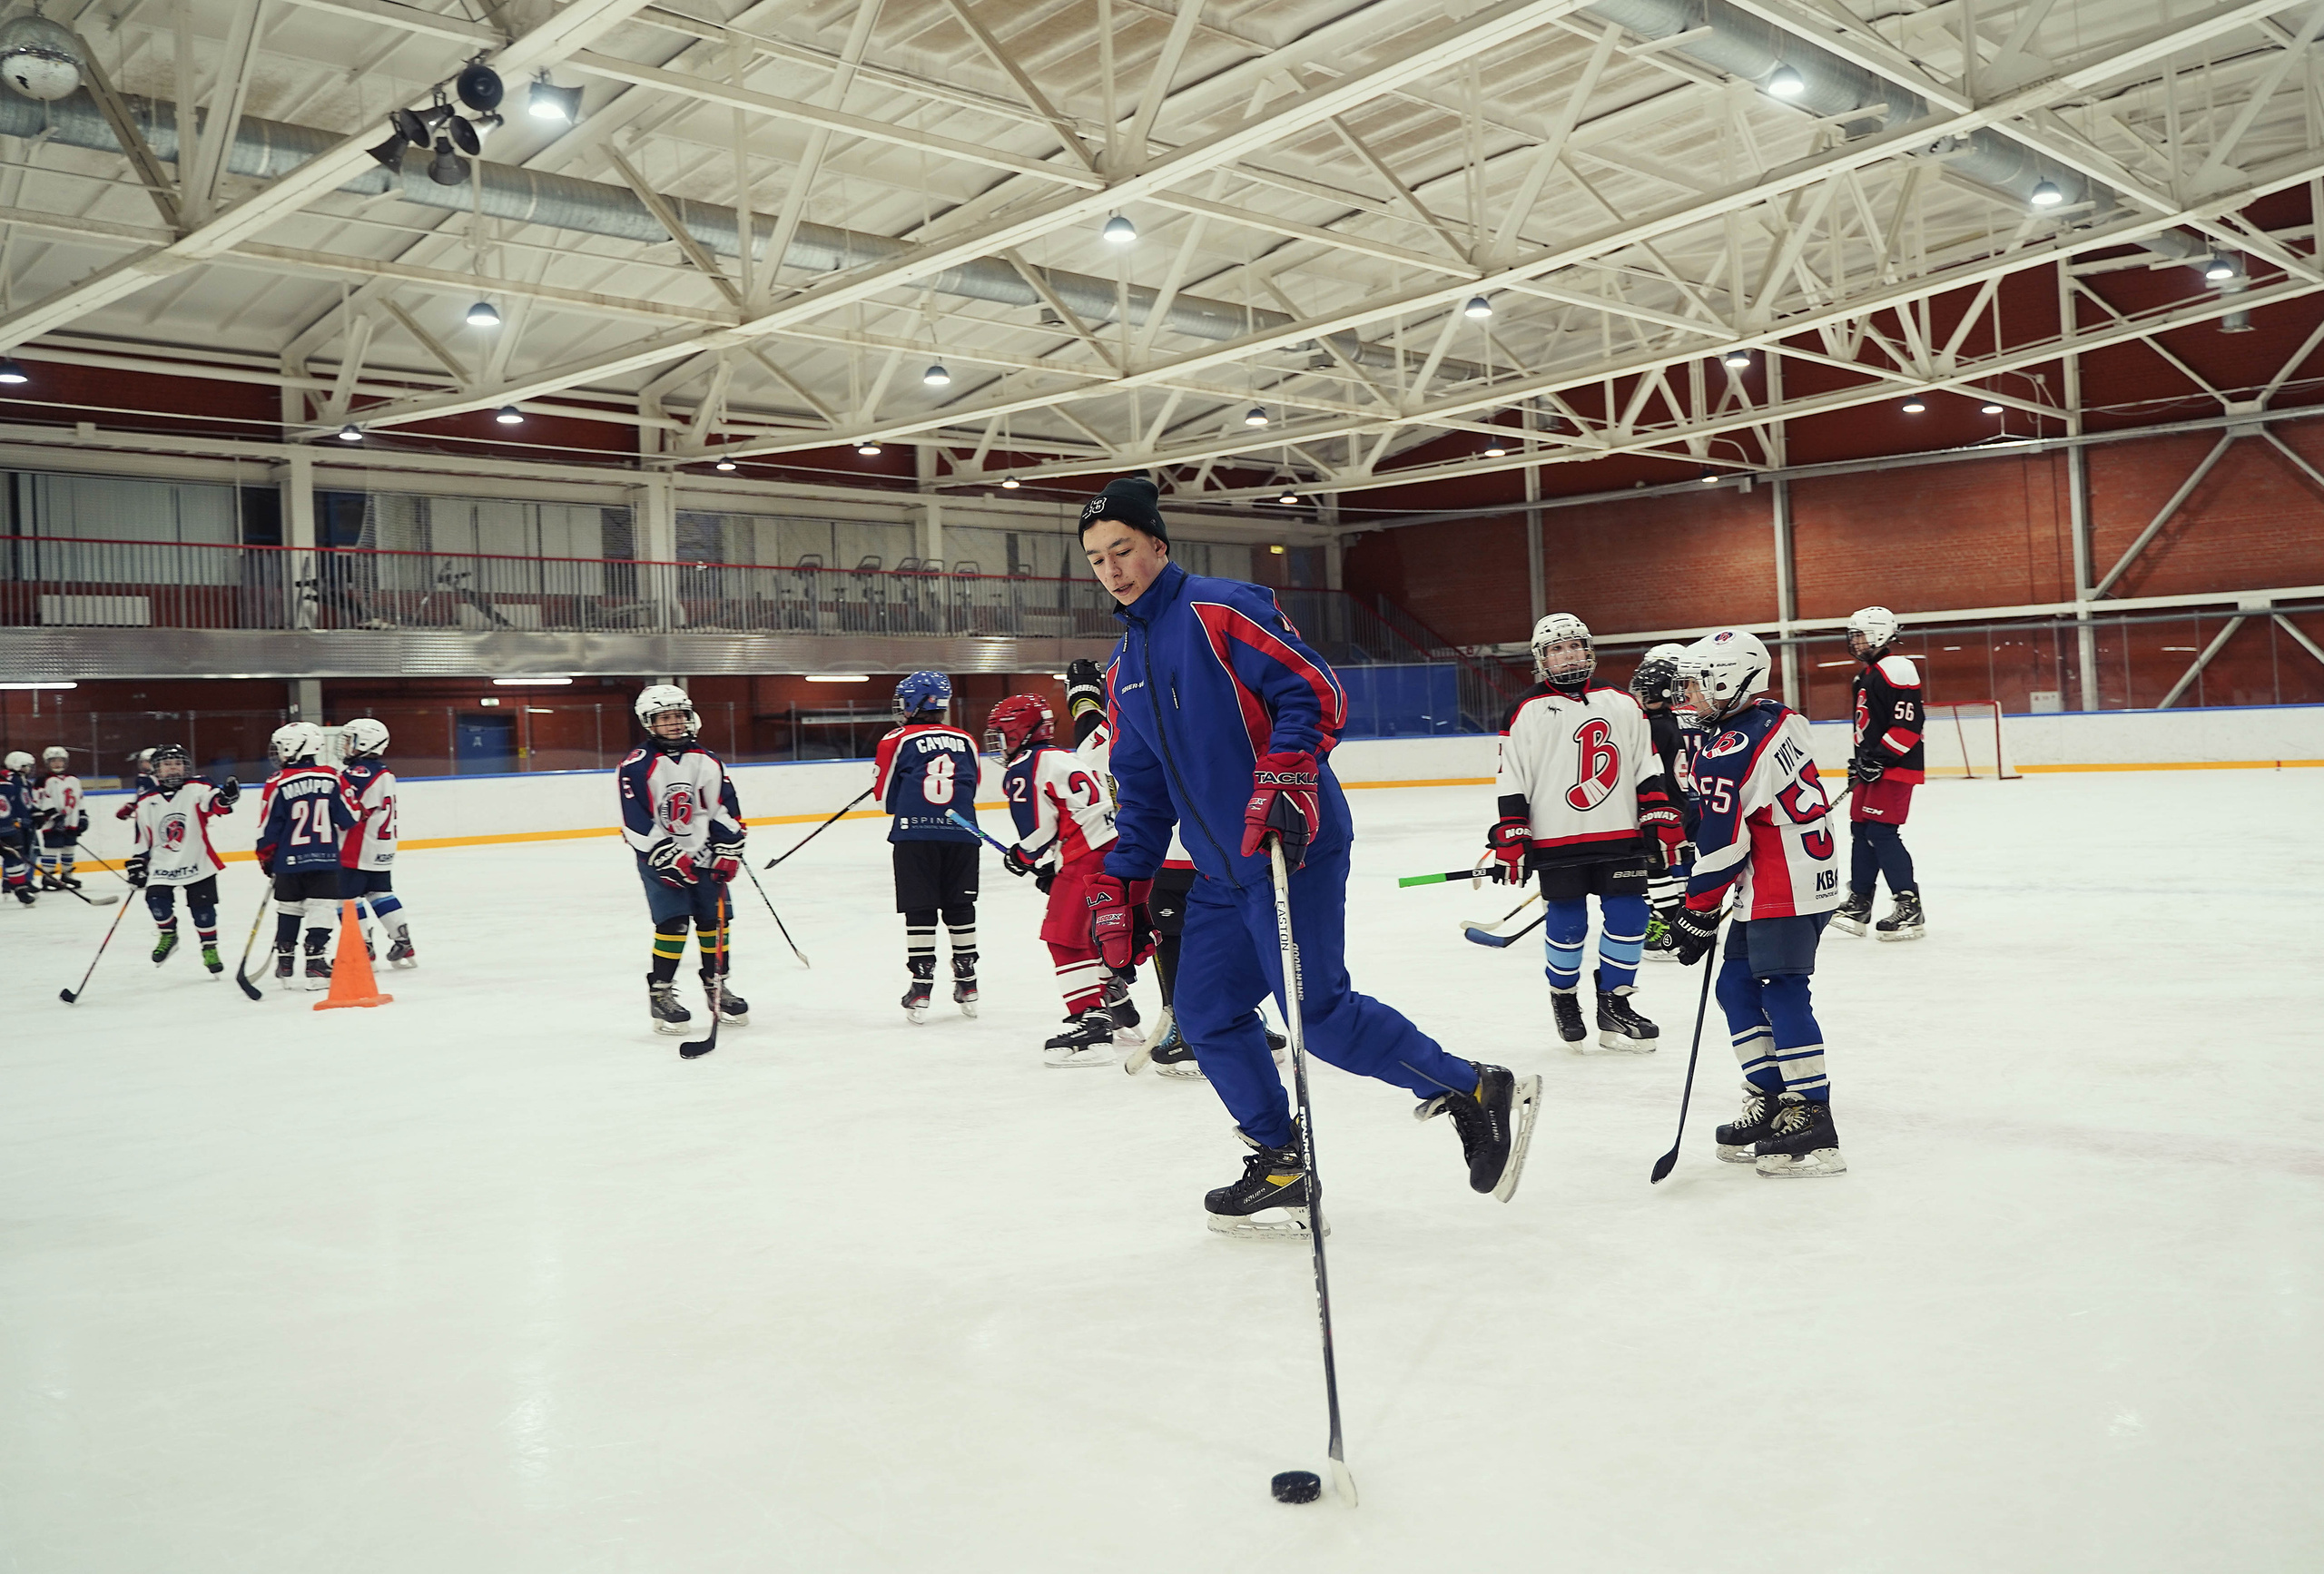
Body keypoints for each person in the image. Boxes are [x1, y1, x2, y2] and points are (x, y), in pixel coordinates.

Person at [1079, 474, 1541, 1237]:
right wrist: (1125, 879)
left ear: (1157, 544)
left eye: (1122, 550)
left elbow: (1313, 689)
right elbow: (1141, 786)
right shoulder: (1126, 665)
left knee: (1318, 1017)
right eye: (1097, 560)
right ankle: (1280, 1161)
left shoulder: (1224, 609)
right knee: (1205, 1014)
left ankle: (1475, 1091)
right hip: (1224, 874)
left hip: (1292, 849)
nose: (1113, 569)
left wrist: (1288, 775)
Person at [1663, 630, 1847, 1178]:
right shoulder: (1776, 714)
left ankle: (1812, 1115)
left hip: (1784, 884)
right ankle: (1771, 1099)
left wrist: (1695, 912)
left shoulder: (1730, 752)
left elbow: (1724, 846)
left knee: (1781, 990)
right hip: (1782, 875)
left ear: (1729, 682)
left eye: (1698, 685)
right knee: (1735, 987)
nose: (1687, 697)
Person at [1488, 615, 1686, 1050]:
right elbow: (1512, 778)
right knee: (1568, 922)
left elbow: (1645, 765)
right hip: (1557, 837)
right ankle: (1563, 998)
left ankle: (1614, 1004)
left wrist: (1660, 815)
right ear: (1542, 658)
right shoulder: (1523, 710)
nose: (1568, 655)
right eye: (1557, 649)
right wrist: (1512, 832)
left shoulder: (1621, 702)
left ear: (1589, 650)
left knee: (1632, 916)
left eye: (1575, 645)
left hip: (1619, 833)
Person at [987, 694, 1136, 1066]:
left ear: (1021, 730)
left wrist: (1022, 857)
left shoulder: (1025, 765)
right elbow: (1076, 815)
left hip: (1088, 855)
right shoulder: (1066, 757)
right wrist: (1054, 867)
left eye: (1003, 733)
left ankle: (1092, 1023)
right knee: (1095, 934)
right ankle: (1115, 1002)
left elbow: (1040, 830)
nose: (1001, 742)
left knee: (1064, 938)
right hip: (1116, 848)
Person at [617, 685, 750, 1035]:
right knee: (673, 923)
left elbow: (722, 807)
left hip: (705, 855)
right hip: (659, 859)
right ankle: (660, 993)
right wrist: (667, 855)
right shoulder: (637, 765)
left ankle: (716, 984)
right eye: (665, 718)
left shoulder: (705, 758)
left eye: (679, 716)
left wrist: (728, 847)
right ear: (650, 723)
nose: (674, 723)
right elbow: (635, 819)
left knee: (715, 922)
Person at [872, 671, 981, 1024]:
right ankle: (968, 982)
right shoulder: (966, 739)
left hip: (914, 836)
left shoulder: (897, 739)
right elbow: (972, 785)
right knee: (960, 906)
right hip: (962, 834)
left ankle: (921, 986)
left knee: (920, 910)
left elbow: (885, 800)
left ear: (918, 703)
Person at [1831, 605, 1926, 940]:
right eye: (1853, 636)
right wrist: (1862, 761)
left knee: (1882, 833)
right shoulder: (1866, 674)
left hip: (1895, 768)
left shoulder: (1898, 668)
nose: (1855, 642)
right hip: (1874, 766)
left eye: (1861, 635)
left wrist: (1882, 758)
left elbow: (1908, 723)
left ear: (1882, 634)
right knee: (1861, 829)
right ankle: (1859, 901)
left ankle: (1909, 906)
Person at [254, 723, 362, 989]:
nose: (278, 753)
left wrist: (266, 857)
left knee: (289, 907)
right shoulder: (332, 776)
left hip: (288, 860)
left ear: (293, 747)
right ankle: (315, 962)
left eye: (281, 747)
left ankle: (285, 959)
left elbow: (269, 826)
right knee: (321, 907)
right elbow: (350, 817)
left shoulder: (276, 782)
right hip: (324, 859)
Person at [123, 743, 237, 976]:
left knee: (203, 909)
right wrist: (138, 864)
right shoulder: (146, 800)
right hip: (162, 863)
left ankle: (209, 949)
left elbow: (213, 803)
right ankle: (168, 934)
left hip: (196, 858)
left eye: (178, 764)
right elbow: (142, 836)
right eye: (167, 765)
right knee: (156, 901)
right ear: (157, 769)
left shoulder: (198, 786)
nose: (173, 769)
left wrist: (225, 799)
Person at [1630, 643, 1694, 961]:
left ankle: (1669, 926)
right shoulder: (1669, 721)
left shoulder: (1655, 727)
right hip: (1677, 805)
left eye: (1645, 692)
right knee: (1667, 867)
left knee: (1655, 867)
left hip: (1661, 808)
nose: (1639, 697)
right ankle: (1675, 921)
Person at [338, 718, 416, 967]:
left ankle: (361, 948)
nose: (346, 746)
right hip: (381, 846)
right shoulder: (383, 770)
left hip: (357, 847)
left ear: (366, 743)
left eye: (351, 741)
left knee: (345, 898)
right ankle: (403, 941)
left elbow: (349, 810)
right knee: (380, 892)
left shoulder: (359, 772)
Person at [34, 745, 85, 890]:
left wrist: (82, 815)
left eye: (60, 760)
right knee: (52, 847)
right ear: (47, 763)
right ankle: (48, 876)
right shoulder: (43, 780)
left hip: (71, 820)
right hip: (52, 822)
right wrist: (53, 816)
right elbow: (40, 799)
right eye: (53, 761)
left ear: (65, 762)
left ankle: (67, 875)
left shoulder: (73, 779)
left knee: (69, 847)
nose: (57, 764)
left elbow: (79, 798)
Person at [1, 750, 40, 905]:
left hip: (9, 827)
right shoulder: (12, 781)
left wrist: (34, 813)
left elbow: (19, 803)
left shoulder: (10, 783)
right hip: (13, 825)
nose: (29, 769)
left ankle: (20, 889)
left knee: (15, 857)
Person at [114, 748, 157, 821]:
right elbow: (141, 796)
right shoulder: (143, 778)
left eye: (147, 761)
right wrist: (130, 807)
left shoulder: (161, 779)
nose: (143, 764)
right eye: (142, 762)